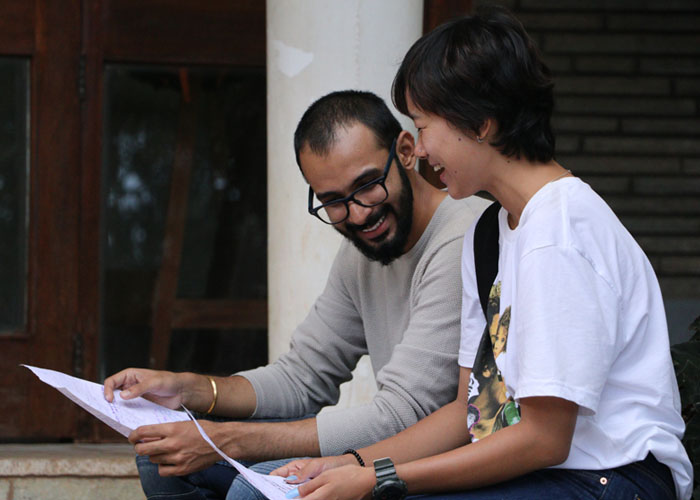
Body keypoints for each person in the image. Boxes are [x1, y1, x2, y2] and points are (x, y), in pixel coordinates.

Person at [271, 7, 693, 500]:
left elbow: (545, 439)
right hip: (543, 475)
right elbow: (471, 411)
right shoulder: (489, 234)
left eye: (424, 127)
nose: (421, 152)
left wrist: (379, 478)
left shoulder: (561, 226)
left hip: (611, 478)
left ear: (481, 123)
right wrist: (349, 464)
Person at [103, 90, 491, 500]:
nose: (358, 214)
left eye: (368, 185)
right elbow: (302, 377)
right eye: (334, 201)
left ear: (407, 151)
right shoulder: (362, 255)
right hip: (386, 452)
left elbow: (402, 415)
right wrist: (189, 388)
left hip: (434, 463)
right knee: (162, 459)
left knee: (266, 486)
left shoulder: (462, 238)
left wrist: (228, 440)